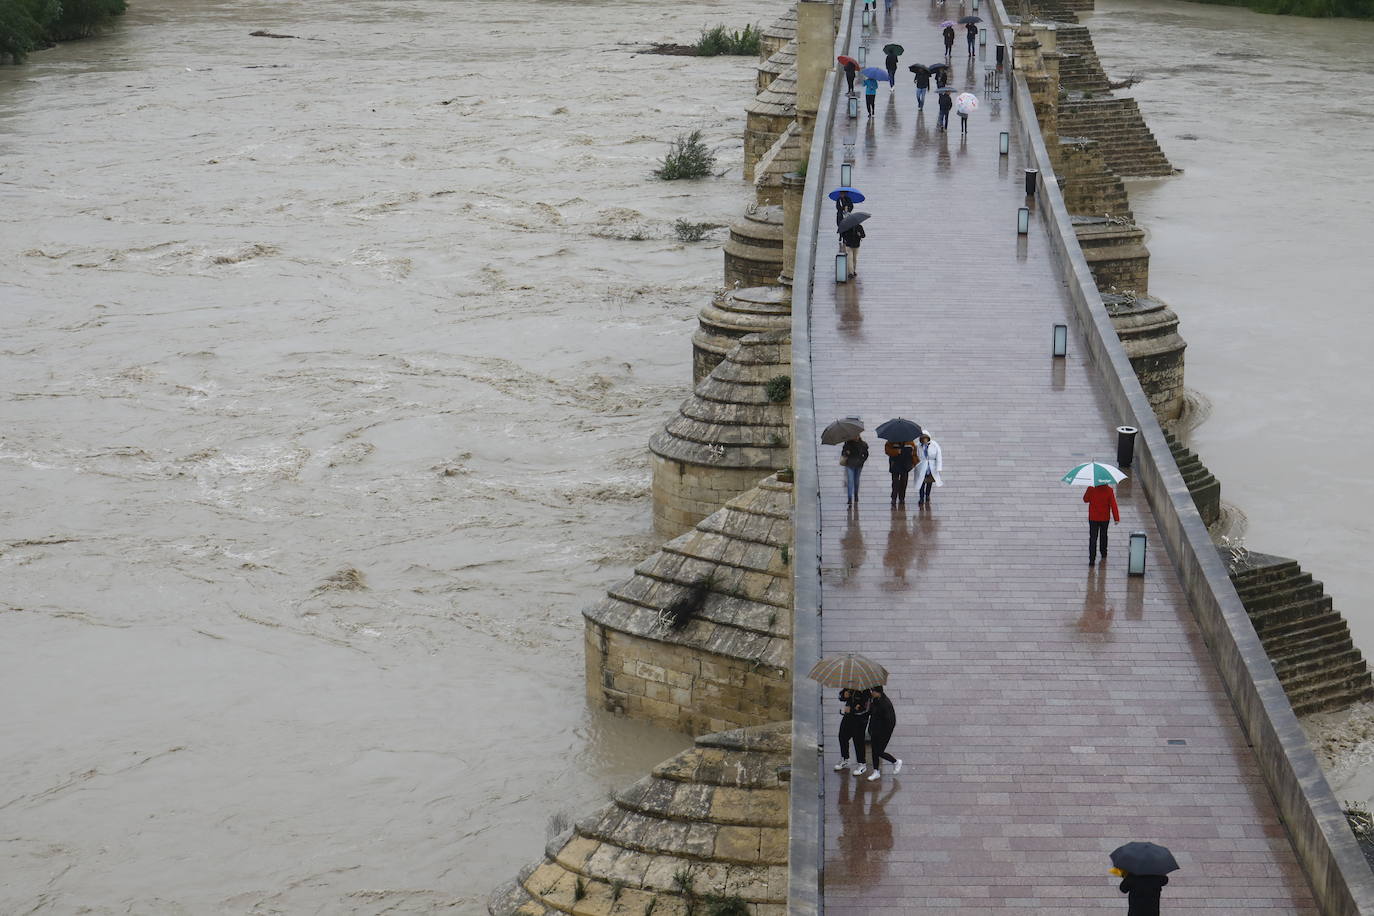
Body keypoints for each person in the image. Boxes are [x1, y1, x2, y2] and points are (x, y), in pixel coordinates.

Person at [865, 686, 902, 781]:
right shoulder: (875, 700)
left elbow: (891, 721)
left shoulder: (885, 704)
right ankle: (876, 771)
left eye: (872, 691)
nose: (871, 692)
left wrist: (883, 733)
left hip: (883, 733)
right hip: (874, 730)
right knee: (874, 752)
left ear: (878, 692)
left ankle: (896, 762)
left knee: (879, 752)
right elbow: (871, 713)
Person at [832, 687, 871, 774]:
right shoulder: (850, 686)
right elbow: (840, 696)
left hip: (860, 721)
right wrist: (844, 695)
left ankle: (862, 764)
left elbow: (865, 709)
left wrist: (852, 709)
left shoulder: (866, 692)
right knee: (842, 736)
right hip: (848, 717)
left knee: (858, 741)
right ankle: (845, 759)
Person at [1084, 481, 1120, 565]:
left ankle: (1092, 559)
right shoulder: (1109, 490)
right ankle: (1103, 552)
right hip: (1104, 518)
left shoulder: (1091, 488)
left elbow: (1085, 499)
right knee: (1103, 535)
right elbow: (1113, 505)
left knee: (1093, 538)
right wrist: (1116, 518)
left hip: (1093, 518)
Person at [885, 438, 916, 507]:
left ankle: (902, 498)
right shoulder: (891, 441)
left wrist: (914, 463)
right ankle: (894, 498)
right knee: (895, 483)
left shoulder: (910, 442)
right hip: (895, 464)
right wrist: (896, 451)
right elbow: (887, 450)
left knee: (904, 482)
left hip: (905, 465)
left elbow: (914, 452)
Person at [915, 430, 942, 506]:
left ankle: (927, 495)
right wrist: (916, 465)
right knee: (921, 483)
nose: (924, 440)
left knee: (929, 483)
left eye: (926, 438)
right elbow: (915, 456)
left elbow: (938, 456)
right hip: (921, 468)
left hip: (931, 468)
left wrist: (938, 467)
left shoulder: (934, 445)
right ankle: (921, 498)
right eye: (923, 439)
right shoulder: (918, 446)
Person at [840, 434, 869, 507]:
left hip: (859, 465)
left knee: (856, 481)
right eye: (854, 435)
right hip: (850, 465)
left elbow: (866, 454)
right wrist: (846, 453)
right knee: (850, 481)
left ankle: (856, 494)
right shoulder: (847, 444)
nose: (855, 437)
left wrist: (862, 461)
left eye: (857, 435)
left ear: (859, 436)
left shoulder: (863, 444)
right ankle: (849, 498)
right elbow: (843, 453)